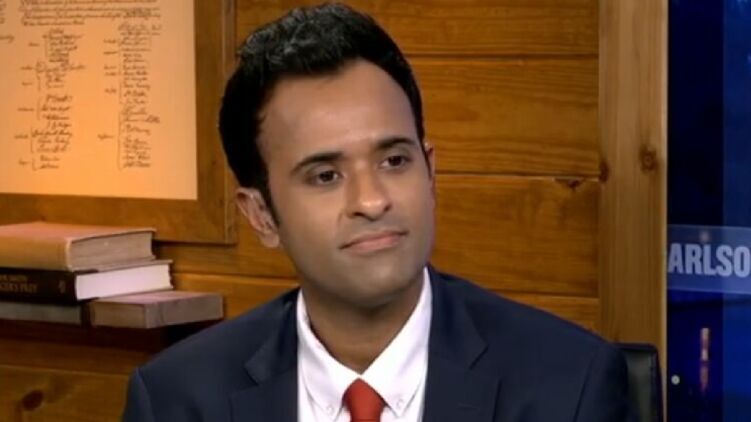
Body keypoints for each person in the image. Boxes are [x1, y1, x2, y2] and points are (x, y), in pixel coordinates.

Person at [122, 3, 631, 421]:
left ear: (430, 172)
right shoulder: (177, 400)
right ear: (261, 215)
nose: (371, 200)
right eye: (326, 175)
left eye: (394, 161)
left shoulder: (571, 388)